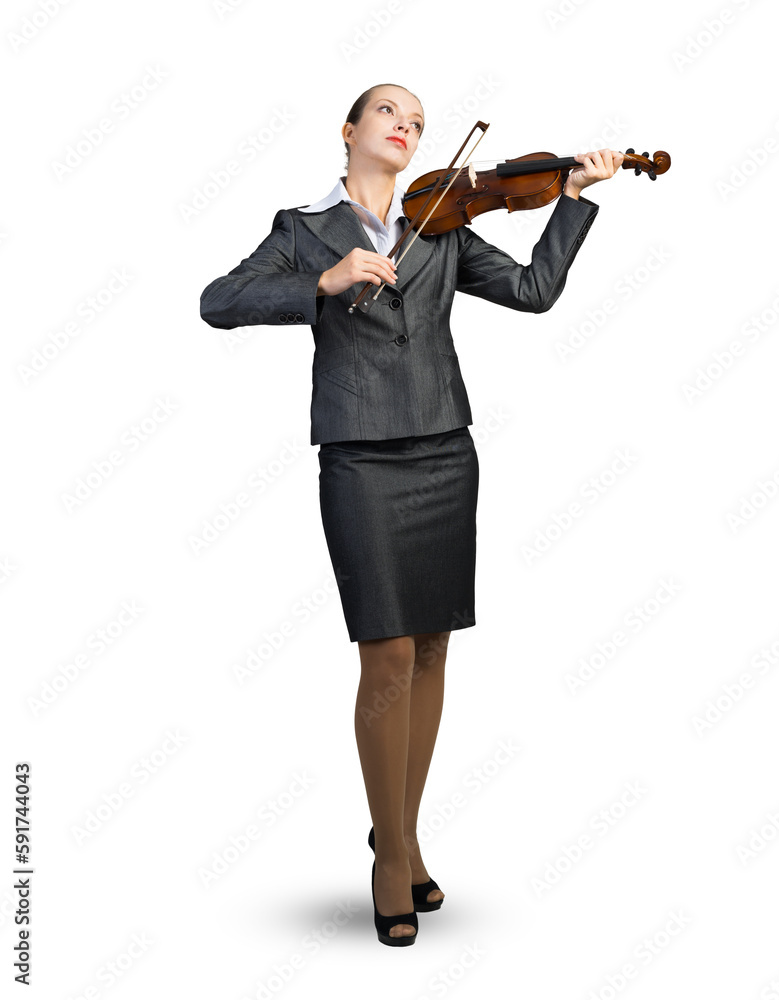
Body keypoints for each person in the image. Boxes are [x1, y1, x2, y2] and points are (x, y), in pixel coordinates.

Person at [199, 83, 623, 947]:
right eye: (391, 113)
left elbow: (536, 290)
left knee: (430, 645)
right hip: (359, 456)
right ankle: (392, 857)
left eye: (421, 122)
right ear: (350, 130)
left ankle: (405, 832)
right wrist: (323, 278)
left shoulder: (444, 219)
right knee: (385, 652)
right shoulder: (301, 229)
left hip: (443, 454)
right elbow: (218, 301)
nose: (409, 126)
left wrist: (571, 200)